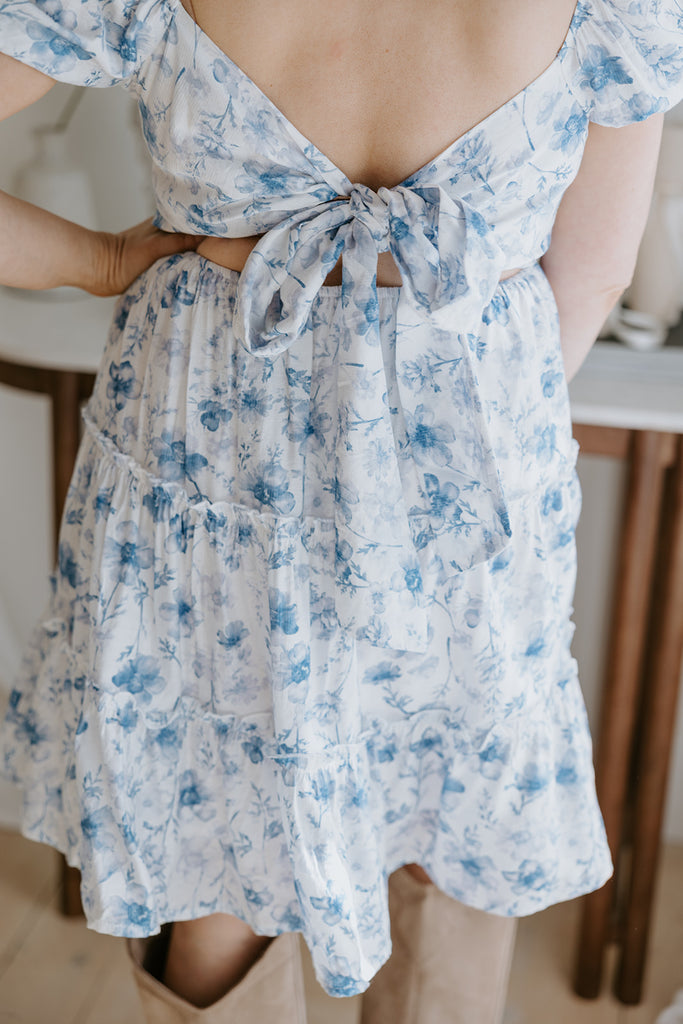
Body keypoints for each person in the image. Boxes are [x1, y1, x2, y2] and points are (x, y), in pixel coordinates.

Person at [0, 1, 681, 1021]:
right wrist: (461, 420)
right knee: (450, 821)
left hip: (214, 473)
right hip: (462, 501)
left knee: (217, 854)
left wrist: (98, 262)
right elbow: (593, 274)